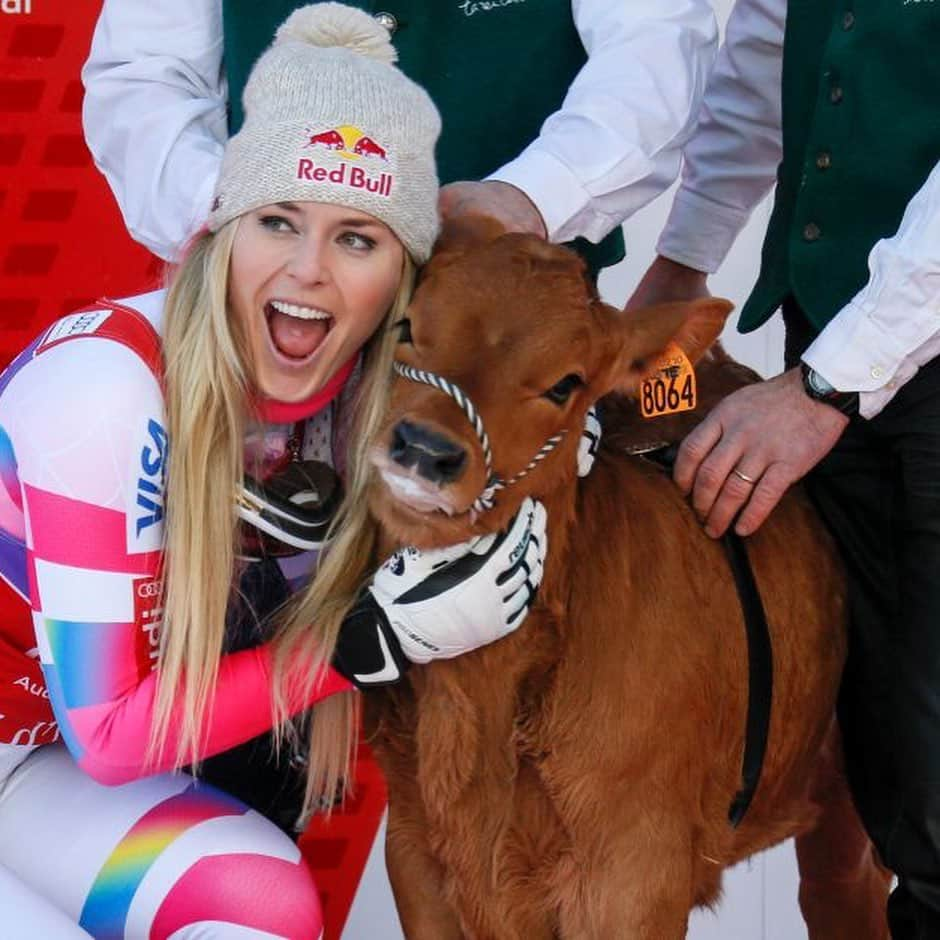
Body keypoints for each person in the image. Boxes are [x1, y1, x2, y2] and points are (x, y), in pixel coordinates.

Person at [0, 6, 551, 935]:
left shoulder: (366, 419)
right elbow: (112, 734)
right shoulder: (106, 385)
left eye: (357, 238)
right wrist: (362, 642)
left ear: (400, 279)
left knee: (259, 908)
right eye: (278, 221)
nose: (307, 270)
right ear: (224, 230)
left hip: (27, 768)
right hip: (78, 747)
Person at [630, 0, 940, 934]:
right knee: (873, 772)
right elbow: (762, 66)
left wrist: (826, 391)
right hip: (836, 351)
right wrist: (683, 262)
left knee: (935, 794)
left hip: (884, 368)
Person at [80, 0, 720, 274]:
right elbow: (145, 75)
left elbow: (657, 47)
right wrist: (230, 216)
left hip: (507, 322)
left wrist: (534, 197)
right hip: (262, 325)